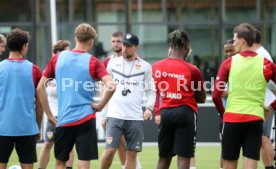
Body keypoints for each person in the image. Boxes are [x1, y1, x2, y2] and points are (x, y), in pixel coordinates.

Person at [37, 23, 116, 169]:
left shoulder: (57, 58)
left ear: (75, 38)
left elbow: (40, 87)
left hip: (64, 118)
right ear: (91, 42)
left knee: (60, 162)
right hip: (86, 119)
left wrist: (48, 114)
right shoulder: (94, 61)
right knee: (83, 161)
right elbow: (111, 86)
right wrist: (100, 106)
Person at [212, 23, 276, 169]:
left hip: (232, 119)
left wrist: (224, 114)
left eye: (234, 40)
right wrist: (270, 107)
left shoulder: (228, 63)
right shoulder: (266, 64)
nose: (233, 44)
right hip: (255, 120)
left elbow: (216, 95)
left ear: (242, 41)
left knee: (229, 164)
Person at [100, 33, 155, 169]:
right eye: (124, 45)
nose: (124, 48)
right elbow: (107, 89)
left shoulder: (145, 67)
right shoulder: (112, 64)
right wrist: (104, 115)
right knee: (109, 151)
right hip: (114, 115)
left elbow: (151, 90)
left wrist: (149, 107)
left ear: (136, 47)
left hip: (135, 117)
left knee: (132, 155)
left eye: (128, 46)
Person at [153, 29, 206, 169]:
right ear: (187, 46)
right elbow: (201, 98)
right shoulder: (193, 69)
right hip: (185, 112)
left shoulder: (156, 66)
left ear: (171, 46)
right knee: (184, 158)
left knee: (164, 157)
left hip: (165, 113)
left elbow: (155, 92)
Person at [0, 28, 43, 169]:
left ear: (8, 46)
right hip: (27, 128)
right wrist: (38, 126)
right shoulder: (35, 69)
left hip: (2, 127)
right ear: (24, 46)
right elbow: (40, 103)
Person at [38, 40, 74, 169]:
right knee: (48, 144)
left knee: (69, 146)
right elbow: (42, 91)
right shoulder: (48, 72)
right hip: (53, 116)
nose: (71, 54)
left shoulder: (71, 71)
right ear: (58, 53)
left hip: (68, 115)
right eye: (68, 51)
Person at [253, 29, 275, 169]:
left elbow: (271, 81)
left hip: (266, 104)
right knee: (262, 138)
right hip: (264, 102)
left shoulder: (261, 55)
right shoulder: (260, 53)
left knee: (263, 138)